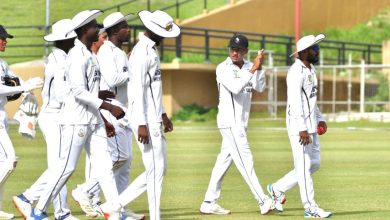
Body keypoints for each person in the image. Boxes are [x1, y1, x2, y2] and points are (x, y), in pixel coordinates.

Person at [27, 10, 125, 220]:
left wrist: (102, 95)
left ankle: (115, 212)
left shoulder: (90, 54)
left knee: (105, 166)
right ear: (83, 31)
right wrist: (108, 107)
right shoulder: (75, 56)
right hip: (76, 121)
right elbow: (78, 92)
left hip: (93, 120)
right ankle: (39, 210)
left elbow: (86, 89)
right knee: (66, 168)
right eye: (94, 26)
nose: (98, 29)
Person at [101, 10, 179, 220]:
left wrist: (163, 114)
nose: (164, 37)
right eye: (162, 33)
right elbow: (136, 91)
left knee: (157, 171)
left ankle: (113, 205)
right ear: (154, 31)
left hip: (153, 118)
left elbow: (154, 89)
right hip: (145, 120)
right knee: (156, 172)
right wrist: (141, 124)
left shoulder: (150, 50)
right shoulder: (142, 53)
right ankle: (154, 217)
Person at [72, 12, 145, 220]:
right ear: (114, 31)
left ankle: (119, 207)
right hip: (110, 107)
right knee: (119, 157)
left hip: (122, 107)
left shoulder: (119, 53)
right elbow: (112, 78)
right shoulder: (106, 52)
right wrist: (134, 70)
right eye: (125, 26)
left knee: (126, 161)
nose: (128, 30)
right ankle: (85, 190)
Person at [199, 35, 274, 215]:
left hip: (241, 123)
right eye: (232, 49)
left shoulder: (249, 66)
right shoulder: (223, 68)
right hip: (229, 122)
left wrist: (258, 67)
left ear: (245, 52)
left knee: (223, 162)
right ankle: (262, 200)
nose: (234, 52)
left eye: (239, 50)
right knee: (245, 161)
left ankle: (209, 201)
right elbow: (235, 87)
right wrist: (253, 68)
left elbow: (260, 87)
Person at [12, 19, 78, 220]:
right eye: (74, 36)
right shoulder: (60, 62)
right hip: (55, 116)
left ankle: (55, 209)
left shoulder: (60, 57)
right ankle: (36, 202)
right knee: (61, 167)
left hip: (57, 115)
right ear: (68, 39)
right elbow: (61, 94)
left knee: (60, 166)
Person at [266, 34, 332, 218]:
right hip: (298, 127)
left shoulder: (311, 70)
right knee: (303, 167)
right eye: (314, 49)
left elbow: (310, 99)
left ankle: (277, 188)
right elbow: (295, 102)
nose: (317, 51)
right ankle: (310, 208)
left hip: (310, 125)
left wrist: (320, 118)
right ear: (303, 52)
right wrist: (301, 128)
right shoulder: (295, 72)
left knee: (314, 164)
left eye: (317, 48)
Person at [0, 25, 43, 220]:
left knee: (1, 162)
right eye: (2, 38)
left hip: (1, 116)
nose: (5, 41)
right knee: (10, 160)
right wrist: (25, 86)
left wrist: (27, 86)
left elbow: (13, 80)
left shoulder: (2, 63)